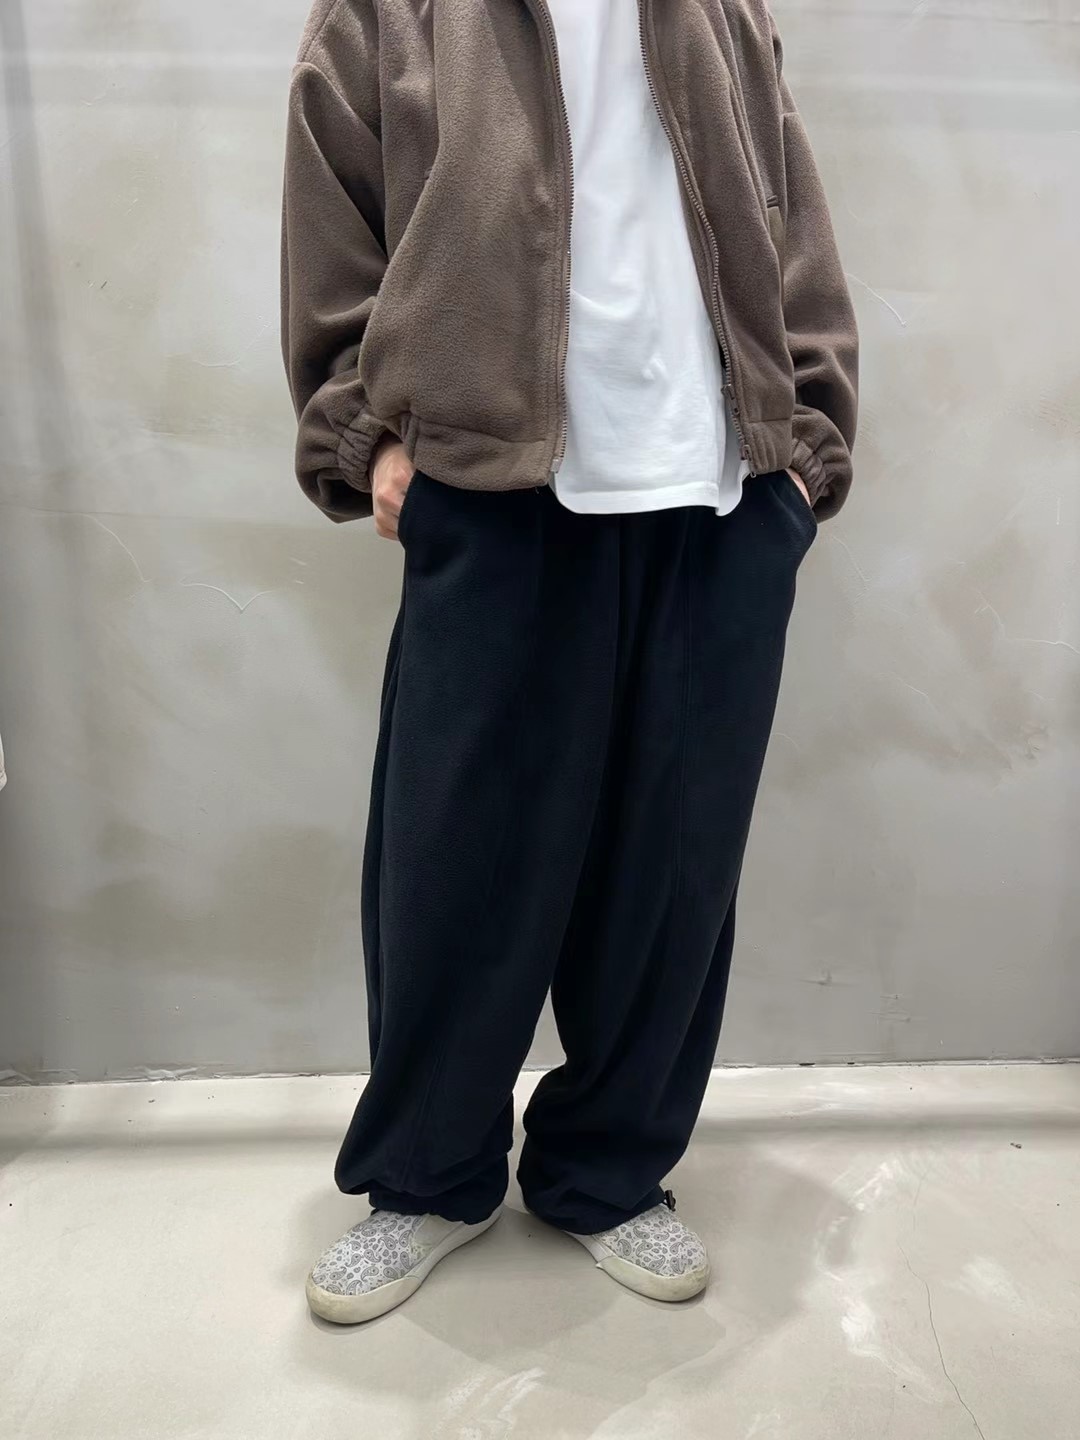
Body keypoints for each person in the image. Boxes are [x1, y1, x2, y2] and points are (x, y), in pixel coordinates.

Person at [282, 0, 857, 1324]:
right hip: (493, 486)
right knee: (453, 861)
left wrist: (806, 447)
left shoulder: (721, 8)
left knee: (672, 874)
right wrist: (364, 432)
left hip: (719, 493)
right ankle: (428, 1179)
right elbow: (330, 210)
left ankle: (607, 1171)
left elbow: (791, 213)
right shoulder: (391, 10)